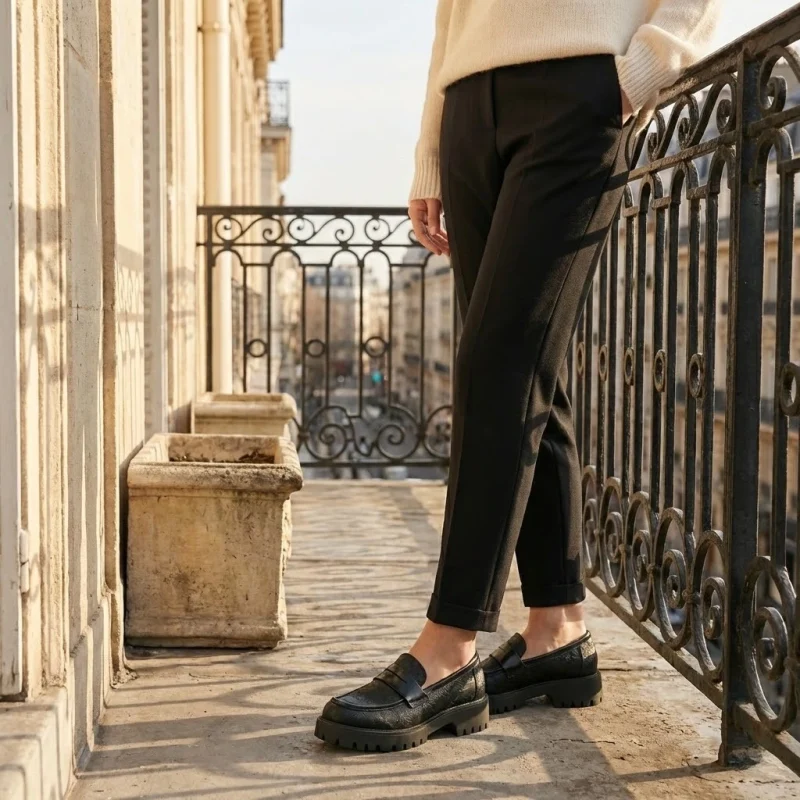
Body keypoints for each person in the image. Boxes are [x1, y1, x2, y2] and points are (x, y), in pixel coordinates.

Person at [315, 0, 722, 752]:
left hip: (580, 86)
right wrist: (431, 149)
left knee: (496, 359)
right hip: (470, 101)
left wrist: (642, 69)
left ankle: (448, 647)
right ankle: (557, 631)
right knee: (529, 365)